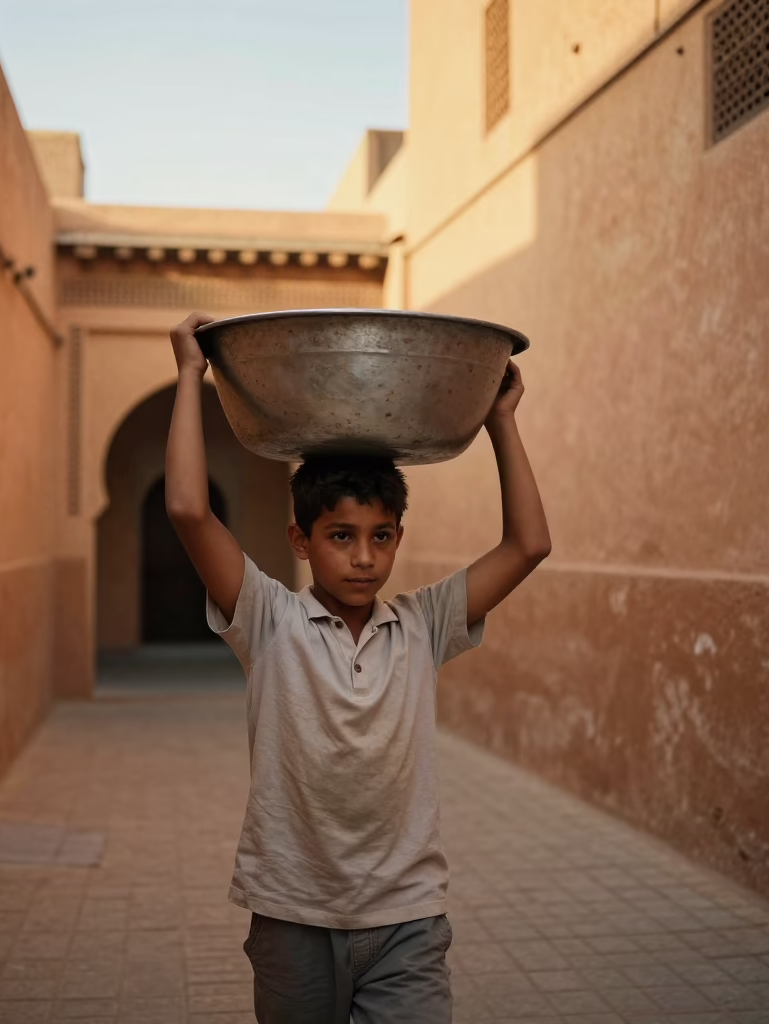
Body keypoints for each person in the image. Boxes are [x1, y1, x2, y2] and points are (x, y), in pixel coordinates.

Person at [165, 311, 551, 1024]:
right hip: (293, 916)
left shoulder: (424, 624)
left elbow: (528, 544)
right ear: (302, 541)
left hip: (408, 918)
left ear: (399, 538)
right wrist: (191, 374)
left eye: (381, 537)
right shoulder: (269, 620)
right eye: (341, 536)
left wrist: (500, 420)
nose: (365, 557)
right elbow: (190, 510)